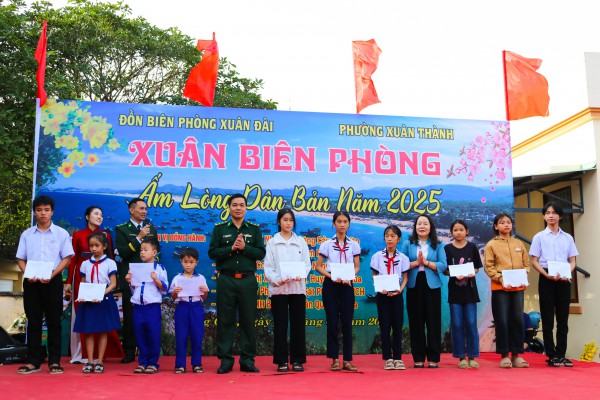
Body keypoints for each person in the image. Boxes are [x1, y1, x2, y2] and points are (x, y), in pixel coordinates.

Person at [16, 195, 74, 374]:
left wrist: (53, 273)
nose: (43, 213)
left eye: (46, 210)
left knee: (54, 321)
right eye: (39, 210)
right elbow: (20, 258)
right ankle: (33, 361)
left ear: (52, 212)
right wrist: (28, 274)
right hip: (32, 282)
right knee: (33, 321)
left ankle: (54, 361)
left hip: (53, 281)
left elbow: (67, 258)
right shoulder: (27, 234)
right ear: (34, 212)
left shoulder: (61, 234)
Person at [208, 193, 266, 374]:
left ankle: (247, 360)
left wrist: (245, 248)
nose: (238, 208)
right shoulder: (219, 229)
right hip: (226, 279)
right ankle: (225, 360)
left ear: (246, 208)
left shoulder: (254, 229)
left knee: (248, 321)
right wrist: (231, 249)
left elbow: (260, 253)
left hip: (248, 280)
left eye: (241, 205)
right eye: (234, 205)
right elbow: (213, 253)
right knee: (226, 320)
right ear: (229, 208)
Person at [65, 205, 122, 364]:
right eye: (96, 214)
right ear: (87, 216)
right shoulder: (78, 235)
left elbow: (110, 257)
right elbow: (73, 259)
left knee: (103, 320)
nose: (99, 217)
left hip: (102, 282)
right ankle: (80, 354)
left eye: (101, 215)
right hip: (83, 278)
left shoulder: (106, 236)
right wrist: (69, 281)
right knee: (83, 315)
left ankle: (102, 356)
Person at [529, 202, 578, 367]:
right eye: (547, 213)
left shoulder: (568, 237)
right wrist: (545, 274)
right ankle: (551, 355)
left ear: (560, 216)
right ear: (544, 216)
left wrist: (567, 273)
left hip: (564, 279)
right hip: (546, 278)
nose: (551, 215)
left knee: (563, 319)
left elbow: (572, 261)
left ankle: (561, 353)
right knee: (548, 318)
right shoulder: (539, 237)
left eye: (554, 213)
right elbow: (534, 260)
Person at [263, 208, 311, 372]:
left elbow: (307, 264)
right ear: (278, 222)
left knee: (298, 325)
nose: (288, 223)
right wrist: (278, 280)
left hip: (297, 289)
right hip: (279, 291)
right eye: (285, 220)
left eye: (291, 220)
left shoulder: (301, 242)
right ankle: (281, 360)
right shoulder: (272, 243)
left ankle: (298, 360)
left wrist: (301, 274)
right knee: (280, 325)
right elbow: (268, 268)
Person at [315, 211, 361, 372]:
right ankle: (334, 359)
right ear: (333, 224)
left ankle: (347, 360)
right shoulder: (326, 244)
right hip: (330, 285)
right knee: (332, 322)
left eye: (345, 221)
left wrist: (351, 276)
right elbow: (318, 266)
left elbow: (357, 267)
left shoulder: (354, 245)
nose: (342, 224)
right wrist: (331, 276)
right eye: (339, 221)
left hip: (347, 286)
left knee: (347, 322)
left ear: (349, 224)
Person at [484, 213, 530, 368]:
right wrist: (501, 279)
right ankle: (504, 355)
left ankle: (516, 355)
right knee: (502, 321)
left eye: (509, 222)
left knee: (517, 319)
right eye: (502, 222)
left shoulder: (519, 244)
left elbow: (527, 263)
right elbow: (488, 267)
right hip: (500, 288)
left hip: (518, 288)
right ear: (496, 226)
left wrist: (525, 274)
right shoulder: (491, 244)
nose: (506, 225)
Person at [401, 214, 447, 369]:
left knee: (433, 321)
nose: (422, 226)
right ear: (415, 227)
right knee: (416, 322)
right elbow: (402, 264)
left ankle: (434, 357)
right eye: (419, 223)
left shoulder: (438, 245)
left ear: (430, 227)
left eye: (425, 224)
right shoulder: (408, 243)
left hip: (432, 286)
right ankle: (418, 357)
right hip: (414, 284)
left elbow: (443, 265)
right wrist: (416, 263)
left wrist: (426, 262)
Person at [115, 198, 158, 363]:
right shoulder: (122, 229)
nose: (144, 212)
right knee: (130, 315)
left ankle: (147, 351)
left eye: (146, 209)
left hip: (149, 279)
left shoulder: (152, 229)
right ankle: (129, 351)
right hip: (131, 278)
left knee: (148, 315)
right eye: (141, 208)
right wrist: (139, 237)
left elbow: (157, 252)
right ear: (131, 210)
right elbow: (123, 253)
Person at [73, 232, 121, 373]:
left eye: (97, 245)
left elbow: (113, 284)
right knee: (88, 331)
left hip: (104, 298)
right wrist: (83, 295)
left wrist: (100, 293)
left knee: (102, 330)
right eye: (91, 246)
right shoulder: (85, 264)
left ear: (105, 246)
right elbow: (83, 283)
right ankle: (89, 361)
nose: (94, 248)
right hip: (89, 299)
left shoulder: (110, 263)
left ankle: (99, 361)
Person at [125, 237, 167, 374]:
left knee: (153, 334)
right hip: (138, 306)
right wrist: (130, 282)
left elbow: (164, 289)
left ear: (154, 252)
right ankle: (142, 362)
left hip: (152, 307)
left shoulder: (160, 269)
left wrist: (156, 280)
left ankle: (153, 362)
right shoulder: (136, 268)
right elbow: (134, 289)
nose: (142, 252)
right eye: (141, 250)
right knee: (139, 334)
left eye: (145, 250)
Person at [443, 219, 482, 369]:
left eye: (461, 229)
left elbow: (477, 267)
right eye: (455, 230)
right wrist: (453, 274)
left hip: (470, 291)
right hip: (455, 292)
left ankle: (472, 356)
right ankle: (461, 358)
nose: (458, 232)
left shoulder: (472, 247)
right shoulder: (447, 249)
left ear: (467, 231)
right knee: (457, 324)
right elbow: (445, 270)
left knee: (471, 323)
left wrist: (470, 273)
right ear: (451, 232)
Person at [370, 225, 410, 370]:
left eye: (393, 236)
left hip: (397, 295)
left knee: (397, 327)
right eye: (387, 236)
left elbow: (405, 277)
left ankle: (398, 358)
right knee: (385, 327)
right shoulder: (376, 256)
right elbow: (374, 275)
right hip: (382, 296)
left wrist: (400, 290)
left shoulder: (403, 258)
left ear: (398, 239)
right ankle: (388, 358)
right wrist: (380, 288)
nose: (389, 239)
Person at [169, 248, 209, 374]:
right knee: (181, 336)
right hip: (182, 307)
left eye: (191, 262)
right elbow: (173, 297)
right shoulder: (177, 278)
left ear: (196, 262)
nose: (188, 264)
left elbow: (204, 297)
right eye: (185, 261)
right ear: (181, 261)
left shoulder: (201, 278)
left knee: (197, 336)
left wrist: (205, 292)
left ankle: (197, 363)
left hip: (196, 307)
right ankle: (180, 364)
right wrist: (175, 293)